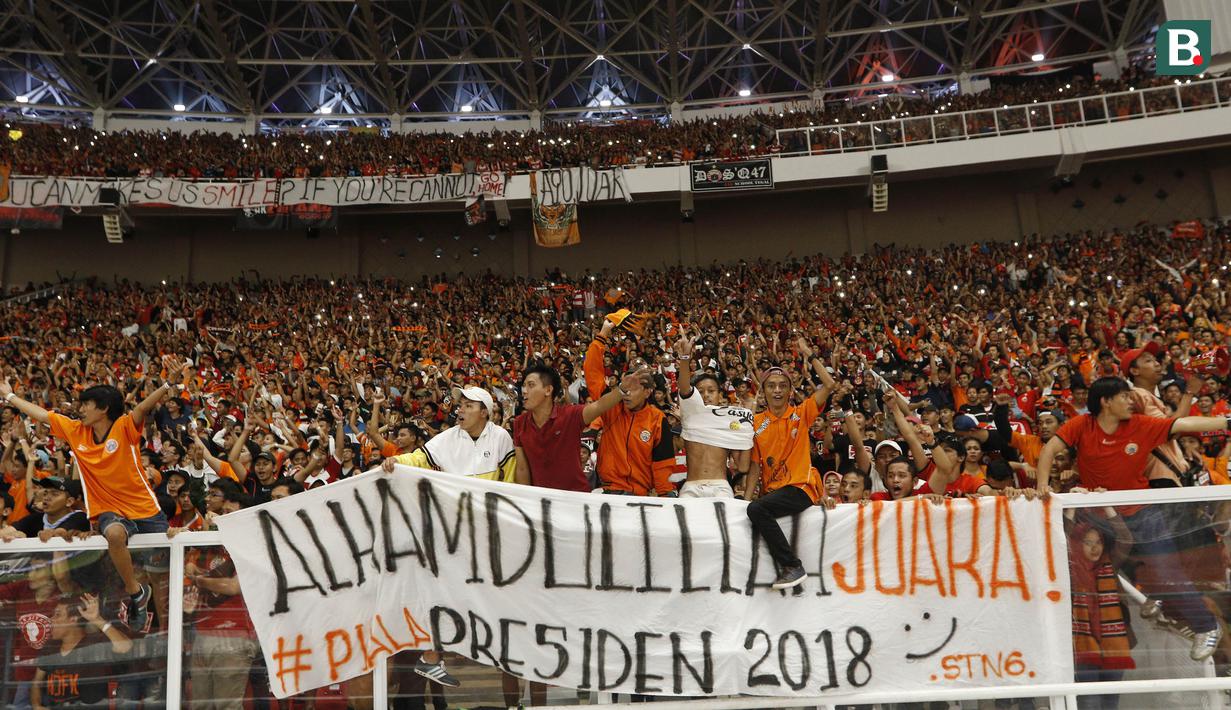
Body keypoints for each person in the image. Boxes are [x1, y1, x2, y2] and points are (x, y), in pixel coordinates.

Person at [1036, 376, 1231, 660]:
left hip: (1143, 514)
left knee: (1166, 572)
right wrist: (1043, 485)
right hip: (1101, 517)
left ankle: (1206, 625)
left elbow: (1183, 424)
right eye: (1125, 397)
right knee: (1117, 571)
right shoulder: (1082, 425)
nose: (1131, 401)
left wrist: (1226, 422)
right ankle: (1159, 595)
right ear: (1106, 402)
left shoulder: (1140, 425)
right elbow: (1049, 450)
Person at [1, 372, 180, 631]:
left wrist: (167, 384)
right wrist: (9, 395)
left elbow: (142, 407)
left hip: (145, 510)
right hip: (109, 510)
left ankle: (169, 629)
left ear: (104, 408)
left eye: (86, 404)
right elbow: (41, 415)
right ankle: (136, 594)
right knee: (115, 535)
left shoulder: (124, 427)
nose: (80, 408)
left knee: (166, 572)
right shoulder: (76, 431)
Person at [379, 386, 516, 689]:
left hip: (486, 532)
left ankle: (457, 651)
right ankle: (431, 657)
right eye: (460, 404)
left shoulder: (501, 438)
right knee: (447, 593)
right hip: (452, 531)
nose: (461, 409)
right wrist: (397, 462)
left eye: (469, 405)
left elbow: (511, 483)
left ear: (485, 411)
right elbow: (419, 458)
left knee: (478, 594)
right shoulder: (447, 438)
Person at [747, 364, 838, 590]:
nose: (777, 390)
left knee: (756, 510)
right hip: (773, 492)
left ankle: (792, 566)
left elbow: (829, 385)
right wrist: (746, 499)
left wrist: (810, 355)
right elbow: (754, 466)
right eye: (771, 386)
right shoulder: (757, 423)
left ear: (790, 391)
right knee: (752, 509)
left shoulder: (801, 413)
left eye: (782, 386)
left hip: (801, 487)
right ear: (763, 391)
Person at [512, 363, 647, 491]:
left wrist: (622, 389)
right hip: (541, 502)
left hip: (575, 497)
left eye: (530, 385)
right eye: (523, 386)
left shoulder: (570, 415)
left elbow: (599, 405)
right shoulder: (519, 422)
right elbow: (522, 469)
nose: (524, 391)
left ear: (548, 390)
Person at [584, 319, 676, 496]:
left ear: (648, 392)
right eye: (624, 388)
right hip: (609, 490)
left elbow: (663, 463)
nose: (626, 393)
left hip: (639, 495)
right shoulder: (611, 407)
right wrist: (603, 334)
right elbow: (593, 372)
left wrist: (665, 497)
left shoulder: (657, 419)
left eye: (633, 389)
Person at [671, 332, 753, 498]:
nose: (706, 395)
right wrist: (685, 357)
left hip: (720, 487)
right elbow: (685, 388)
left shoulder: (729, 423)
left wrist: (746, 430)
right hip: (692, 486)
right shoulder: (690, 415)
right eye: (700, 391)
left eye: (711, 391)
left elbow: (743, 467)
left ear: (720, 396)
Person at [32, 594, 133, 708]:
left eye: (58, 615)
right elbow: (36, 682)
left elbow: (125, 647)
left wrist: (97, 620)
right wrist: (36, 705)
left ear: (73, 619)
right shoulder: (50, 647)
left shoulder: (93, 643)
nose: (51, 619)